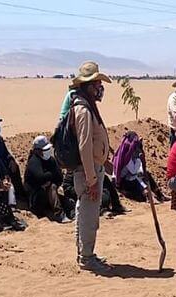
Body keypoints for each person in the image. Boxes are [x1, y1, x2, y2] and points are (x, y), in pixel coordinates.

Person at [65, 61, 114, 271]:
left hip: (94, 168)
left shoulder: (88, 107)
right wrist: (92, 178)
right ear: (88, 86)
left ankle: (84, 253)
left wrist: (104, 160)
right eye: (96, 84)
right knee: (88, 215)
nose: (100, 88)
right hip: (88, 172)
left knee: (86, 212)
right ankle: (86, 257)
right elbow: (85, 146)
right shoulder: (83, 110)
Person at [23, 135, 71, 223]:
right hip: (36, 199)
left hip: (49, 195)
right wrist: (51, 176)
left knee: (65, 200)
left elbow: (59, 177)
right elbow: (40, 177)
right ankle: (59, 214)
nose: (47, 152)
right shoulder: (33, 162)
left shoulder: (51, 160)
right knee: (51, 187)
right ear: (37, 151)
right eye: (44, 150)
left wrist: (49, 178)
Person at [112, 131, 167, 203]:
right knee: (136, 181)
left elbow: (137, 170)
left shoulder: (130, 152)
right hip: (121, 181)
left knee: (146, 174)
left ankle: (159, 195)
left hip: (129, 176)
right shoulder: (126, 155)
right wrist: (139, 158)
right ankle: (147, 196)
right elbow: (133, 171)